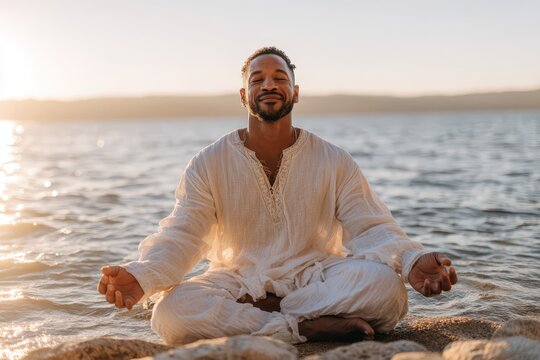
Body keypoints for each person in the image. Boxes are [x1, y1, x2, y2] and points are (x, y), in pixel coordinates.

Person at [97, 47, 458, 345]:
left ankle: (271, 319)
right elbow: (184, 234)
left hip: (314, 276)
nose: (269, 85)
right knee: (170, 314)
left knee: (388, 291)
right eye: (258, 80)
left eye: (279, 78)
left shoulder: (333, 159)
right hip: (239, 281)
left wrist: (411, 260)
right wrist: (142, 276)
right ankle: (304, 327)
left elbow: (370, 227)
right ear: (244, 96)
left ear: (295, 93)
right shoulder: (209, 163)